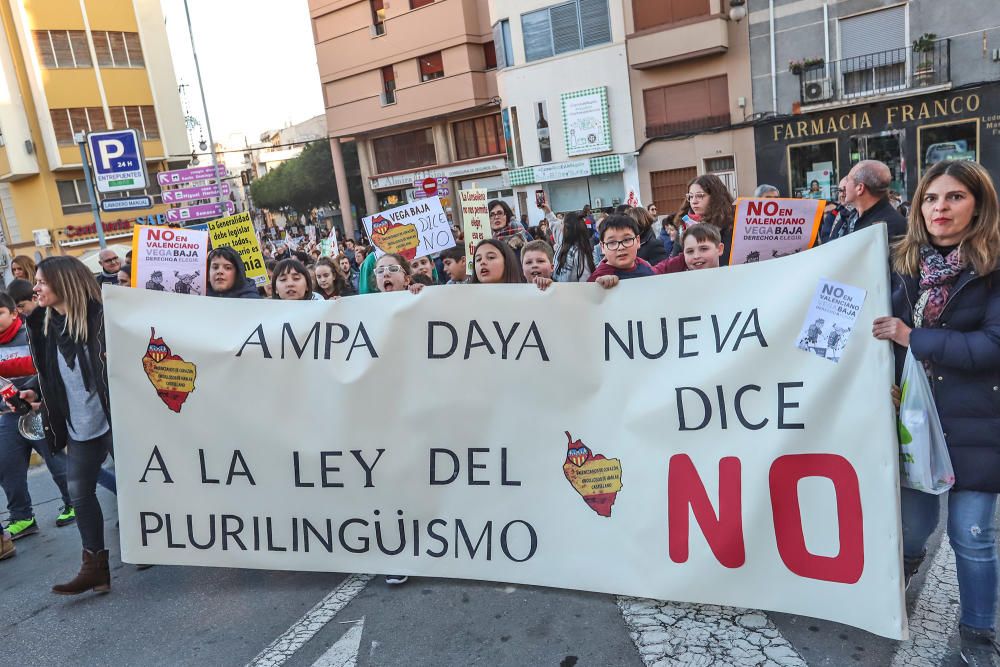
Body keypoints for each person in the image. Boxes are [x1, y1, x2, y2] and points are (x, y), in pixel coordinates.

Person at [871, 160, 1000, 667]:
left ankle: (978, 635)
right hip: (913, 421)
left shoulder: (993, 267)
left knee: (972, 535)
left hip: (977, 422)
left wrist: (912, 337)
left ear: (979, 204)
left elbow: (993, 346)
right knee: (911, 525)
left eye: (954, 197)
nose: (940, 208)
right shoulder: (901, 262)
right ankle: (900, 575)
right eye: (930, 198)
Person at [25, 257, 114, 594]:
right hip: (79, 426)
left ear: (64, 283)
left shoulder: (102, 318)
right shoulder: (47, 328)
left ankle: (161, 544)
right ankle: (95, 568)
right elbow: (54, 373)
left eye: (41, 282)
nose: (36, 288)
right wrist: (33, 388)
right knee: (79, 493)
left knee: (143, 485)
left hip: (113, 420)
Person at [0, 292, 76, 540]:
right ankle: (22, 518)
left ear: (14, 313)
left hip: (39, 408)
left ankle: (73, 502)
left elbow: (47, 368)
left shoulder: (31, 334)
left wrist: (32, 393)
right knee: (8, 466)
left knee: (55, 460)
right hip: (8, 415)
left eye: (0, 313)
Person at [830, 160, 907, 242]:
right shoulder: (848, 217)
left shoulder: (891, 226)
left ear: (860, 188)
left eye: (848, 180)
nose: (844, 186)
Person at [672, 174, 735, 265]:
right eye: (691, 196)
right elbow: (675, 262)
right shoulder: (684, 224)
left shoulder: (730, 225)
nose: (694, 201)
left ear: (715, 197)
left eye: (700, 196)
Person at [587, 214, 656, 288]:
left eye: (627, 240)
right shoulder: (598, 280)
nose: (621, 247)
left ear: (638, 241)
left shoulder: (644, 264)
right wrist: (599, 288)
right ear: (602, 247)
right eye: (612, 242)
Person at [654, 223, 726, 274]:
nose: (696, 256)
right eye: (690, 251)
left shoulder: (731, 279)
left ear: (719, 249)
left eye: (704, 249)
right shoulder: (678, 283)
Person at [552, 211, 595, 283]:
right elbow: (554, 225)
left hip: (574, 292)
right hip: (559, 290)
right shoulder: (563, 245)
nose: (560, 227)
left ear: (567, 229)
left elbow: (585, 280)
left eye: (562, 223)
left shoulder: (579, 252)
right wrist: (547, 211)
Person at [819, 177, 852, 244]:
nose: (842, 194)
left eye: (845, 190)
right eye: (840, 191)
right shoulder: (833, 214)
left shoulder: (860, 211)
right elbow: (825, 239)